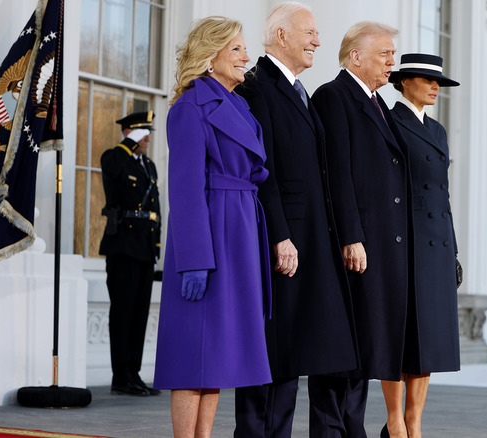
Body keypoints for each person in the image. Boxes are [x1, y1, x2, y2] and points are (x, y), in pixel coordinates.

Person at [233, 3, 358, 437]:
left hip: (309, 241)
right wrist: (280, 236)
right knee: (271, 354)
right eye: (309, 33)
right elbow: (259, 168)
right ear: (281, 35)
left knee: (292, 356)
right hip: (281, 242)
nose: (318, 42)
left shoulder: (299, 90)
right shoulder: (256, 88)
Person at [153, 16, 272, 438]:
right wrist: (194, 259)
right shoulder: (190, 106)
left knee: (217, 352)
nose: (246, 56)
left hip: (239, 230)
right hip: (210, 236)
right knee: (192, 354)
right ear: (210, 57)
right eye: (236, 49)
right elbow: (184, 189)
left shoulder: (238, 104)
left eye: (245, 48)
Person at [311, 22, 418, 438]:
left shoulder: (377, 103)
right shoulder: (333, 97)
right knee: (341, 348)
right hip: (356, 245)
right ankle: (331, 431)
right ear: (356, 56)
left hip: (384, 248)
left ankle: (352, 429)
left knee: (366, 349)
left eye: (394, 54)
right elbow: (336, 174)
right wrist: (350, 236)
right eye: (385, 54)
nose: (394, 61)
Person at [385, 53, 462, 438]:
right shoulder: (388, 121)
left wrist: (455, 251)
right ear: (403, 82)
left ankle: (415, 423)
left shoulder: (439, 131)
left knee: (428, 338)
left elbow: (443, 196)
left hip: (437, 245)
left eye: (439, 83)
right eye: (427, 80)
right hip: (406, 240)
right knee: (401, 337)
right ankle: (395, 421)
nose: (435, 87)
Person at [99, 110, 161, 397]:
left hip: (145, 248)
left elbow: (155, 211)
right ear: (129, 134)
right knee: (123, 313)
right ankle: (120, 375)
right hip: (123, 245)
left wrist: (157, 246)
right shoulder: (115, 157)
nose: (147, 138)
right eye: (141, 133)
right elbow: (112, 170)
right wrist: (127, 143)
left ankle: (133, 373)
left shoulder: (148, 166)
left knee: (139, 314)